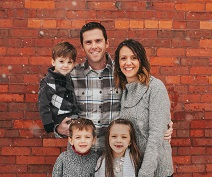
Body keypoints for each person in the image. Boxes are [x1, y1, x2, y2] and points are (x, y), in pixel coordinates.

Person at [55, 22, 173, 153]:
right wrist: (57, 128)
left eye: (98, 41)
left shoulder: (123, 72)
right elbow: (58, 109)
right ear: (82, 46)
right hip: (81, 153)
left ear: (106, 43)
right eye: (88, 42)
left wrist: (164, 124)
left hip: (114, 154)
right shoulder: (71, 75)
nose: (94, 46)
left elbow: (144, 100)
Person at [114, 39, 174, 177]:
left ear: (141, 60)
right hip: (131, 169)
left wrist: (145, 173)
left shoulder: (155, 87)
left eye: (134, 58)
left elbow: (156, 137)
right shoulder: (125, 91)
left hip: (156, 171)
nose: (128, 63)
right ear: (118, 63)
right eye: (123, 58)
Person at [38, 42, 78, 134]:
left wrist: (76, 113)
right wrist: (48, 123)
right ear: (53, 62)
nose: (65, 65)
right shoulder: (48, 82)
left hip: (72, 117)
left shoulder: (69, 78)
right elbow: (43, 104)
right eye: (61, 61)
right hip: (58, 119)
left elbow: (72, 98)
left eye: (69, 62)